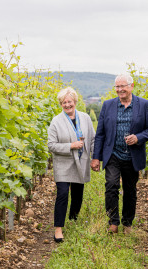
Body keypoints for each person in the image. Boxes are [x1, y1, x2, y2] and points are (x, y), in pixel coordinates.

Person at [90, 73, 148, 234]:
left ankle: (127, 223)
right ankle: (113, 222)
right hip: (113, 153)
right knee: (111, 185)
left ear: (131, 86)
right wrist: (96, 157)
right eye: (117, 87)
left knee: (130, 189)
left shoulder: (144, 105)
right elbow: (100, 134)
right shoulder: (108, 105)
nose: (120, 90)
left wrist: (138, 138)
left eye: (123, 86)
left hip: (132, 155)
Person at [48, 87, 95, 242]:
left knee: (77, 195)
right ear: (61, 104)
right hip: (63, 162)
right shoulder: (56, 121)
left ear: (75, 102)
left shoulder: (86, 118)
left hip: (81, 162)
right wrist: (70, 146)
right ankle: (58, 229)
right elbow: (51, 145)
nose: (67, 105)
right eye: (63, 102)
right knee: (62, 194)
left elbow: (93, 139)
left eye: (69, 101)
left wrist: (95, 158)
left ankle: (73, 219)